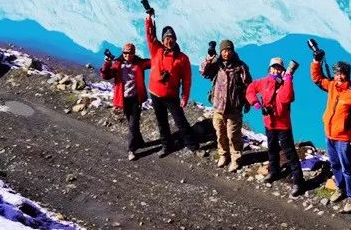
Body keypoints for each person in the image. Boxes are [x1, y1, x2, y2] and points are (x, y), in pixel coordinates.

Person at [311, 54, 351, 214]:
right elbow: (317, 78)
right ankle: (341, 188)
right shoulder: (332, 85)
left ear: (347, 74)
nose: (339, 77)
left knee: (347, 168)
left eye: (342, 74)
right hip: (329, 134)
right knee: (335, 165)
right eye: (336, 73)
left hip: (344, 138)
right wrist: (316, 61)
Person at [245, 57, 305, 197]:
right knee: (272, 148)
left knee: (289, 152)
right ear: (270, 69)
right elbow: (250, 89)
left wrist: (288, 78)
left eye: (279, 68)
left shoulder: (285, 83)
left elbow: (287, 98)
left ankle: (299, 182)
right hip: (269, 123)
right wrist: (256, 104)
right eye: (274, 67)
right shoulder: (263, 82)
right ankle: (274, 171)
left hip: (283, 125)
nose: (276, 70)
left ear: (282, 70)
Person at [144, 10, 198, 156]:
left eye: (172, 38)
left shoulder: (182, 58)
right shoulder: (156, 49)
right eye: (166, 38)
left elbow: (186, 80)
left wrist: (185, 97)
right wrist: (149, 18)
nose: (169, 41)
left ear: (175, 40)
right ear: (163, 40)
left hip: (171, 96)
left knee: (180, 122)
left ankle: (192, 146)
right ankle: (166, 146)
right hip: (155, 93)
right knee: (161, 122)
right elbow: (150, 35)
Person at [200, 39, 252, 172]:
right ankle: (223, 155)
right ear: (220, 51)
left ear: (233, 51)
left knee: (233, 136)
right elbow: (203, 72)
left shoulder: (240, 67)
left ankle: (236, 159)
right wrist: (208, 60)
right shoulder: (216, 65)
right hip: (218, 107)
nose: (226, 53)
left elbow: (248, 85)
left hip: (234, 108)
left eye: (229, 50)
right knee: (220, 134)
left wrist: (248, 102)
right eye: (224, 50)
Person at [100, 43, 152, 161]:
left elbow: (154, 62)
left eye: (130, 53)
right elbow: (105, 76)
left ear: (134, 53)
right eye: (125, 53)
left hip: (135, 99)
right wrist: (107, 63)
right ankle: (140, 141)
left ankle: (131, 150)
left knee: (133, 124)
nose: (127, 55)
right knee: (132, 123)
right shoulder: (117, 64)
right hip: (124, 100)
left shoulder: (140, 63)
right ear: (123, 52)